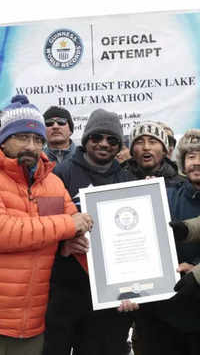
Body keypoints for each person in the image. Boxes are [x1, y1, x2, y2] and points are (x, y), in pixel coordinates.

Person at [0, 95, 93, 355]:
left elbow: (77, 235)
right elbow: (5, 232)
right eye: (22, 137)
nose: (31, 146)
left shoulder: (53, 183)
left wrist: (122, 289)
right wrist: (67, 225)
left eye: (38, 140)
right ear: (4, 141)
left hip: (33, 325)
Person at [43, 108, 133, 355]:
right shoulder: (58, 176)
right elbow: (44, 227)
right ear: (86, 140)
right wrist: (63, 246)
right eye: (97, 138)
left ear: (118, 145)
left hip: (108, 297)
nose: (104, 144)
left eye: (112, 140)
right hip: (65, 289)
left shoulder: (127, 180)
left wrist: (132, 286)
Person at [130, 128, 200, 355]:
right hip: (164, 314)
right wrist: (146, 194)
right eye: (191, 156)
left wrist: (196, 270)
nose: (196, 163)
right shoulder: (168, 193)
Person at [122, 120, 184, 186]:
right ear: (132, 151)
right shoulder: (117, 181)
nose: (146, 147)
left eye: (152, 142)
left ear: (164, 150)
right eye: (140, 142)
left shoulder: (181, 185)